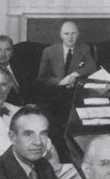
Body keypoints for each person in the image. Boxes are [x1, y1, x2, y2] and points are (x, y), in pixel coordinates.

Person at [0, 67, 81, 179]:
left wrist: (49, 168)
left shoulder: (15, 110)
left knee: (82, 172)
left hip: (44, 171)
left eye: (3, 85)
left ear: (9, 87)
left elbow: (47, 143)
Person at [36, 20, 98, 157]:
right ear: (61, 35)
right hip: (55, 95)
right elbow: (42, 78)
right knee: (58, 124)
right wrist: (60, 82)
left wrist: (75, 75)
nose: (70, 37)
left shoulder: (84, 49)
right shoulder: (49, 52)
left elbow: (91, 67)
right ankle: (61, 152)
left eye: (74, 33)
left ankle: (78, 151)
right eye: (67, 34)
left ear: (78, 34)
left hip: (75, 94)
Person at [0, 34, 35, 106]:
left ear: (12, 52)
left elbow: (33, 89)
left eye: (7, 50)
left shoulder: (22, 67)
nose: (3, 54)